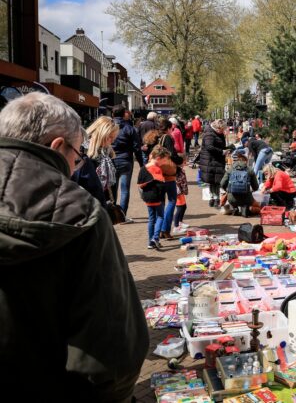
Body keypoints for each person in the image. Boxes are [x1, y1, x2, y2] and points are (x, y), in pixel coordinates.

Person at [0, 92, 148, 400]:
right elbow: (112, 348)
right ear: (57, 146)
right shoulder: (80, 212)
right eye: (76, 154)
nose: (76, 163)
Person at [111, 104, 143, 222]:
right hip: (126, 161)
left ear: (113, 114)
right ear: (124, 114)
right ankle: (122, 216)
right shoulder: (130, 129)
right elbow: (137, 147)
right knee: (125, 190)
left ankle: (113, 215)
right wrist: (141, 163)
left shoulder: (108, 127)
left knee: (112, 189)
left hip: (111, 161)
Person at [138, 146, 171, 249]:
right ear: (158, 158)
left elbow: (139, 184)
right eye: (164, 160)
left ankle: (150, 242)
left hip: (147, 197)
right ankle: (155, 238)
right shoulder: (156, 169)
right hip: (157, 196)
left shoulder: (143, 168)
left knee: (151, 219)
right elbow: (161, 183)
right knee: (160, 216)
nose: (164, 163)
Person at [86, 116, 120, 199]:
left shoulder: (108, 151)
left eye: (114, 137)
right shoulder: (83, 152)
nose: (112, 141)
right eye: (110, 137)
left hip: (105, 202)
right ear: (101, 134)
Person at [198, 119, 228, 208]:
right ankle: (214, 198)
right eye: (222, 129)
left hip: (215, 159)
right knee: (214, 180)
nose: (222, 131)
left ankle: (214, 198)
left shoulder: (217, 133)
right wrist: (222, 152)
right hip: (211, 160)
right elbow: (209, 147)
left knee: (215, 180)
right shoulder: (209, 133)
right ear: (217, 127)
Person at [220, 149, 260, 217]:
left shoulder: (230, 169)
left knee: (232, 200)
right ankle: (247, 209)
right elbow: (256, 187)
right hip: (247, 198)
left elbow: (222, 184)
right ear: (245, 160)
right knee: (259, 206)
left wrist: (228, 190)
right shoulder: (250, 170)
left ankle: (235, 208)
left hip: (231, 198)